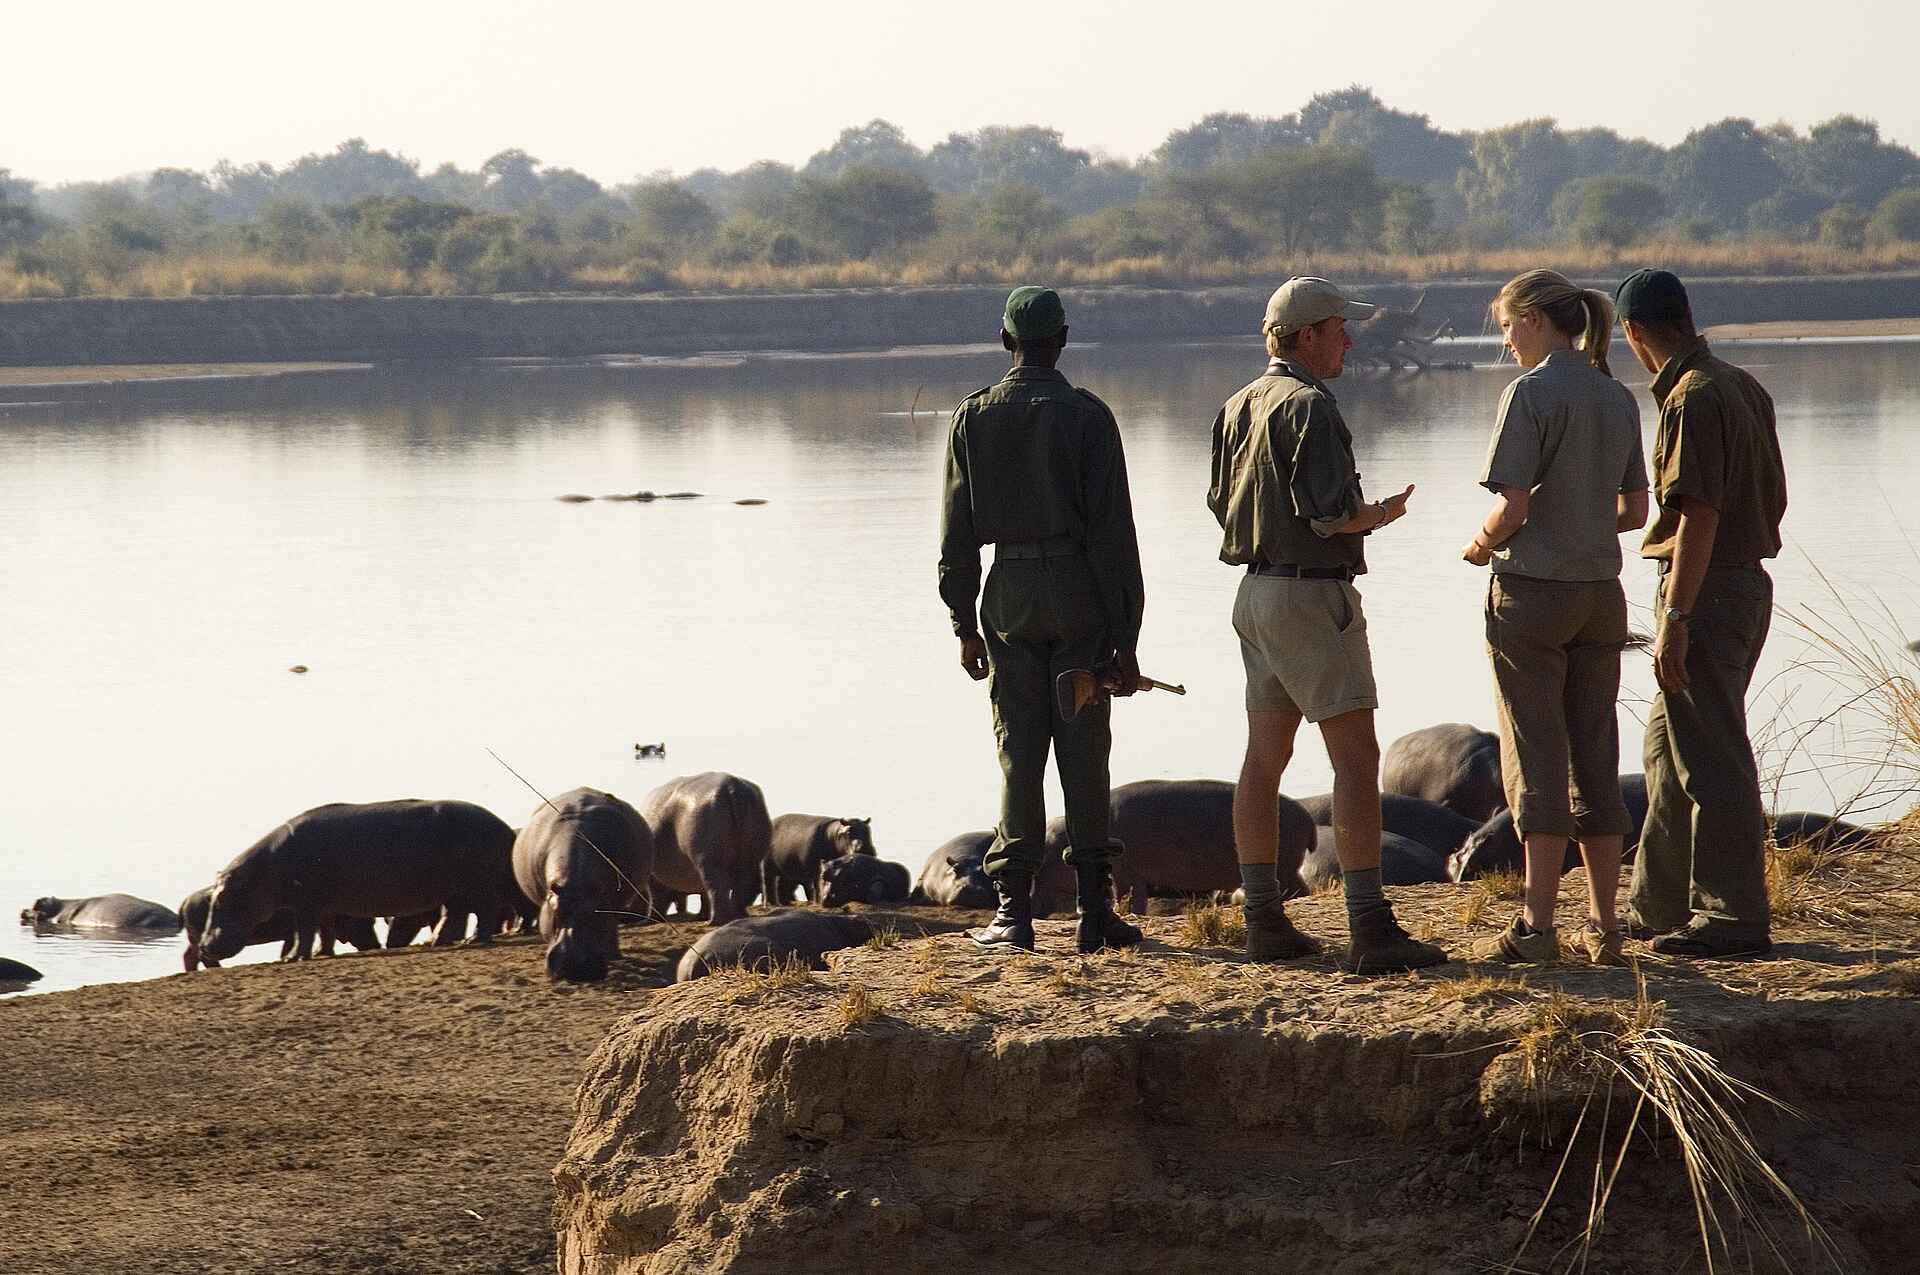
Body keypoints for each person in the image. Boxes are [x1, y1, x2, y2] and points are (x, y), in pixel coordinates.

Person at [1208, 276, 1447, 973]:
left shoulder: (1236, 404)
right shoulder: (1311, 406)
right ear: (1307, 335)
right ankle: (1371, 926)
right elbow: (1330, 516)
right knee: (1357, 759)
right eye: (1340, 327)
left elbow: (1221, 506)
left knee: (1264, 755)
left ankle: (1263, 920)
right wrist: (1381, 514)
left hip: (1254, 596)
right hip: (1312, 598)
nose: (1349, 338)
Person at [938, 286, 1146, 955]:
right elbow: (1116, 537)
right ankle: (1093, 913)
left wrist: (964, 623)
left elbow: (957, 536)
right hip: (1079, 592)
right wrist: (1126, 638)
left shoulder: (972, 418)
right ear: (1062, 340)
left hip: (1008, 594)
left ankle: (1013, 915)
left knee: (1017, 751)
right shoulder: (1089, 417)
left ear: (1006, 342)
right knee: (1084, 752)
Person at [1460, 269, 1649, 967]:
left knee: (1535, 754)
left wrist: (1479, 545)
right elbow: (1635, 512)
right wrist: (1581, 518)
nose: (1507, 341)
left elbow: (1511, 509)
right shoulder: (1614, 394)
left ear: (1536, 320)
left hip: (1532, 596)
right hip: (1602, 593)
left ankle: (1537, 928)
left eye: (1508, 326)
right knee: (1596, 751)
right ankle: (1605, 926)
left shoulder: (1528, 394)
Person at [1615, 269, 1788, 959]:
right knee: (1667, 750)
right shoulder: (1742, 383)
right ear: (1685, 316)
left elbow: (1700, 515)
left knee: (1710, 753)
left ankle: (1732, 915)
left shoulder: (1692, 397)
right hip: (1740, 585)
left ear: (1634, 334)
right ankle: (1657, 903)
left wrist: (1677, 617)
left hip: (1707, 593)